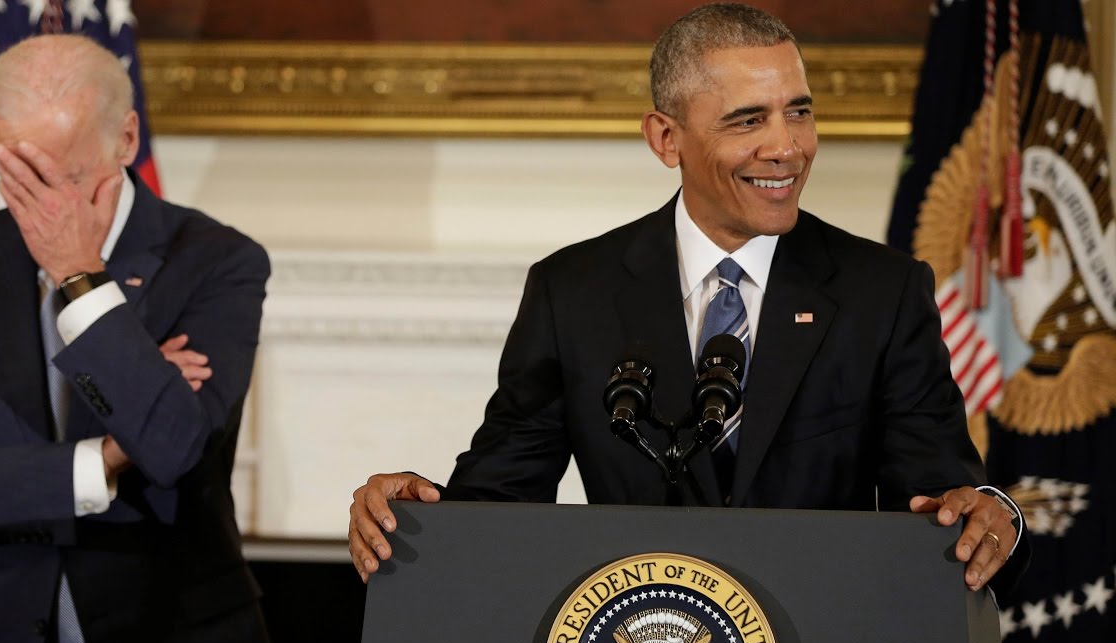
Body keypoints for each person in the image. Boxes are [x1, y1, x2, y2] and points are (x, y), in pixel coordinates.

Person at [348, 3, 1026, 595]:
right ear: (666, 139)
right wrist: (414, 510)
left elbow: (940, 497)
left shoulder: (882, 290)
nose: (786, 147)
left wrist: (987, 514)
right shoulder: (574, 293)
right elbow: (496, 503)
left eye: (799, 111)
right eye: (748, 120)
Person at [0, 36, 287, 643]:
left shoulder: (219, 262)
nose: (49, 208)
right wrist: (101, 458)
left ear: (126, 137)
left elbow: (172, 451)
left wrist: (80, 277)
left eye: (67, 177)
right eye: (22, 176)